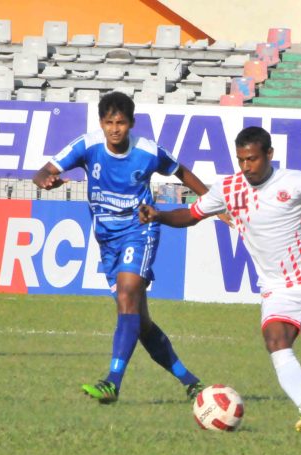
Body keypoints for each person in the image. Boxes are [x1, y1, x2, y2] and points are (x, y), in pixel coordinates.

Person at [139, 126, 301, 434]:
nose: (246, 167)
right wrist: (159, 215)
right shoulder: (229, 188)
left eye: (252, 159)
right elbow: (191, 215)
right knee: (276, 342)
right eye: (240, 160)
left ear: (269, 154)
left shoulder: (296, 182)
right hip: (278, 288)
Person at [33, 91, 209, 404]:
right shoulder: (87, 145)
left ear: (131, 124)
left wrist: (211, 202)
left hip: (140, 229)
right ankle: (192, 383)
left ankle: (112, 382)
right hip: (107, 240)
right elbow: (43, 171)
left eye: (121, 122)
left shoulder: (147, 151)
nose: (115, 128)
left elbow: (181, 171)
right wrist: (46, 180)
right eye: (109, 122)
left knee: (128, 294)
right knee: (139, 323)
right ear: (101, 123)